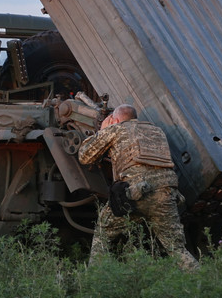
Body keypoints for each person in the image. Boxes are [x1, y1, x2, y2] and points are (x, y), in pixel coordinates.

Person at [78, 104, 199, 271]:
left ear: (115, 120)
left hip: (134, 194)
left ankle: (95, 277)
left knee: (103, 233)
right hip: (166, 195)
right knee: (176, 249)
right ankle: (202, 279)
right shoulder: (157, 131)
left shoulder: (116, 129)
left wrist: (104, 130)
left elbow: (85, 156)